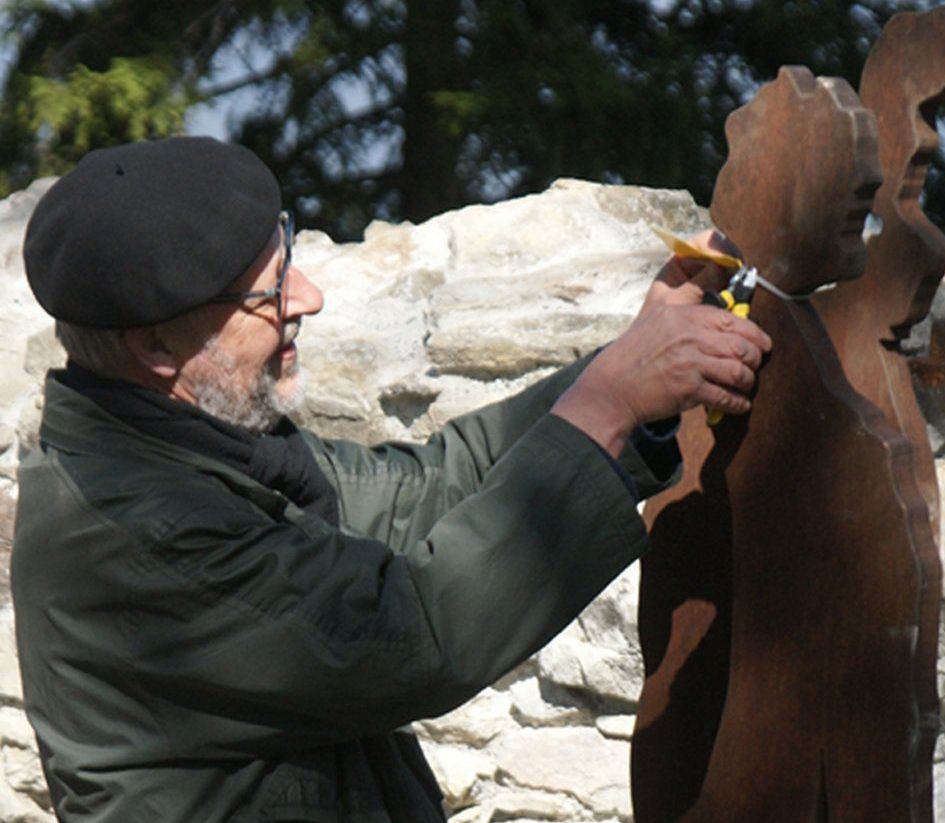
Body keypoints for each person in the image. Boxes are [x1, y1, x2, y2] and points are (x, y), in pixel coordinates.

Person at [12, 136, 770, 822]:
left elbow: (428, 488)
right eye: (270, 292)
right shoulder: (139, 530)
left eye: (289, 254)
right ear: (155, 347)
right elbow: (413, 631)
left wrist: (628, 364)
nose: (308, 297)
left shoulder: (191, 447)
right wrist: (606, 405)